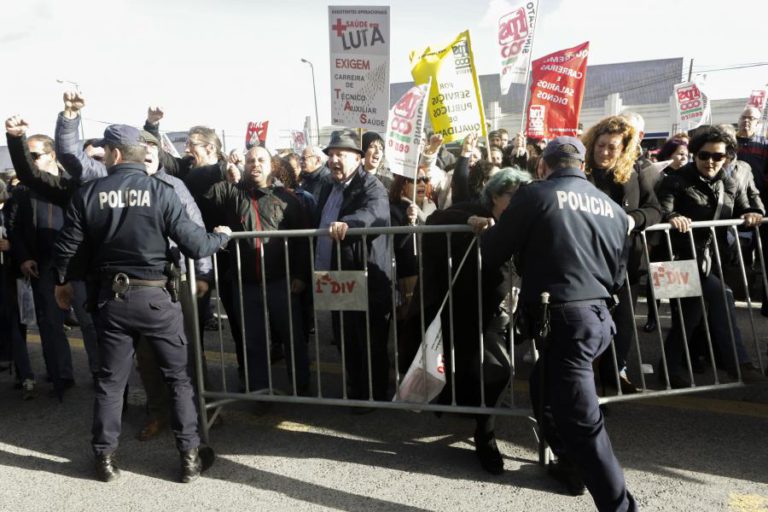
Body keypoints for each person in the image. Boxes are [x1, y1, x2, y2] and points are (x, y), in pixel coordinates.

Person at [48, 123, 232, 483]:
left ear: (115, 155)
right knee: (178, 379)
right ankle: (190, 457)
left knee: (110, 382)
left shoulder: (91, 193)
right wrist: (220, 238)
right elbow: (195, 244)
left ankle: (104, 458)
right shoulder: (160, 191)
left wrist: (62, 283)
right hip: (156, 299)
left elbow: (67, 247)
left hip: (110, 301)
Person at [472, 137, 637, 510]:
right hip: (595, 318)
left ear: (544, 165)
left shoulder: (536, 195)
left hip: (566, 322)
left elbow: (494, 250)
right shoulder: (611, 207)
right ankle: (568, 462)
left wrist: (490, 230)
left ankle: (619, 506)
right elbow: (619, 272)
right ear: (582, 165)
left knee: (585, 426)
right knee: (543, 388)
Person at [405, 168, 529, 475]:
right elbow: (435, 221)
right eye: (512, 195)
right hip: (470, 309)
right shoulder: (475, 210)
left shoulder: (527, 221)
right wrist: (467, 223)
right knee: (493, 370)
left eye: (522, 195)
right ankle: (484, 433)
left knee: (497, 370)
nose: (518, 201)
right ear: (495, 196)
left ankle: (479, 418)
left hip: (506, 308)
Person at [655, 126, 765, 387]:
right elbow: (661, 209)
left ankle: (668, 369)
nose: (711, 162)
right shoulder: (676, 180)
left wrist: (751, 212)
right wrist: (673, 217)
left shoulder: (727, 182)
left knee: (688, 319)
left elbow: (746, 203)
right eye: (705, 155)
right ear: (695, 154)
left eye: (718, 157)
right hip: (676, 260)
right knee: (719, 298)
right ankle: (738, 363)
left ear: (727, 158)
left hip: (709, 261)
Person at [203, 146, 311, 395]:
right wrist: (222, 170)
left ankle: (301, 386)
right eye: (250, 160)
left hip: (282, 282)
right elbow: (203, 195)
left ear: (271, 165)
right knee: (254, 341)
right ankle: (259, 391)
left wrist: (300, 276)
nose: (255, 164)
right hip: (247, 283)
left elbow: (304, 242)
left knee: (292, 337)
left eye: (261, 159)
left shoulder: (288, 198)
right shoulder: (231, 192)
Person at [582, 115, 662, 394]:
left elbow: (655, 209)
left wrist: (633, 219)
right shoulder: (582, 173)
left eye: (612, 147)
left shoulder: (635, 172)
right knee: (591, 326)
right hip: (590, 265)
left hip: (627, 263)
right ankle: (588, 385)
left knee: (624, 325)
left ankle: (615, 375)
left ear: (624, 148)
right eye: (601, 145)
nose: (604, 152)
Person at [315, 129, 392, 403]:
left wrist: (351, 223)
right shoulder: (327, 186)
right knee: (344, 335)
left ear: (358, 158)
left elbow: (376, 214)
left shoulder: (371, 186)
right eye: (331, 154)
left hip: (363, 273)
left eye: (341, 155)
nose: (334, 160)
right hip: (334, 273)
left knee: (367, 338)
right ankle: (355, 387)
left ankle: (372, 393)